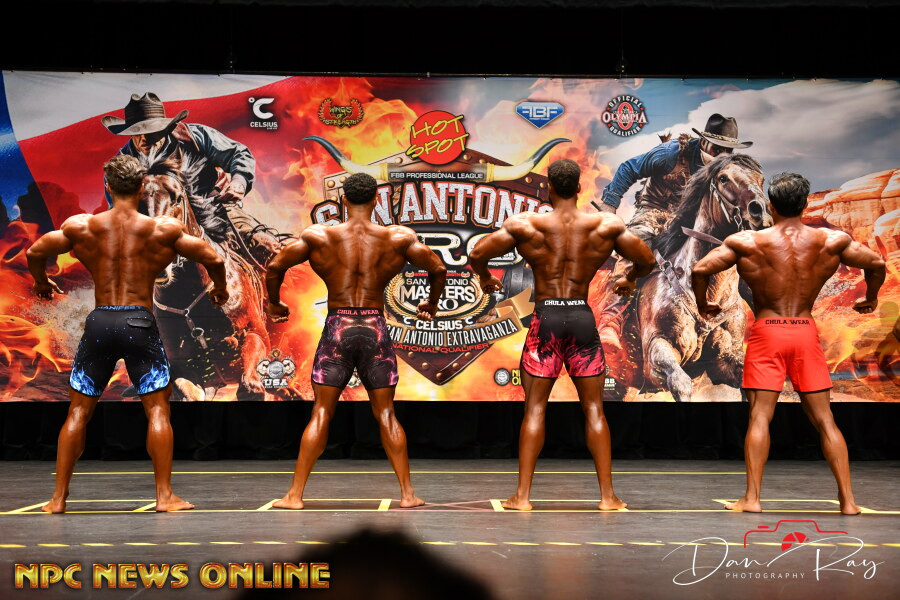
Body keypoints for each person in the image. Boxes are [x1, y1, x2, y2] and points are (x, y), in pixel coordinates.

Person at [26, 155, 229, 512]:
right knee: (157, 411)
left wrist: (43, 283)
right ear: (141, 187)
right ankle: (164, 497)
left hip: (101, 322)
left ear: (107, 186)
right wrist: (220, 289)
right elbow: (212, 258)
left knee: (78, 412)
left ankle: (57, 499)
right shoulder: (162, 230)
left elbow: (35, 251)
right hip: (139, 322)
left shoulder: (82, 227)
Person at [691, 172, 886, 514]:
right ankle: (849, 502)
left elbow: (700, 269)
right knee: (825, 420)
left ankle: (752, 499)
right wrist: (870, 298)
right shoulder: (830, 241)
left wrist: (704, 304)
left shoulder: (747, 242)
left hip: (768, 332)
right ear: (805, 204)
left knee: (759, 417)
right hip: (804, 331)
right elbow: (876, 263)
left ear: (770, 204)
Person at [469, 158, 655, 511]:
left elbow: (478, 253)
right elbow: (647, 260)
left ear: (549, 187)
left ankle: (523, 497)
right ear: (580, 188)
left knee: (535, 410)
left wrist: (485, 277)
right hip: (582, 318)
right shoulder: (605, 225)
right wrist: (629, 279)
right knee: (594, 410)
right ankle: (608, 497)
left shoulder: (526, 224)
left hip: (546, 320)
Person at [265, 172, 447, 509]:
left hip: (339, 325)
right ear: (376, 199)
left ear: (344, 200)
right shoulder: (398, 237)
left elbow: (275, 266)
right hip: (375, 326)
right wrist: (431, 304)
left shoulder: (319, 236)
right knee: (386, 413)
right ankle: (408, 495)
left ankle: (294, 496)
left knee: (322, 412)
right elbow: (437, 269)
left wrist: (274, 303)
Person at [597, 114, 753, 351]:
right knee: (635, 250)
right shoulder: (671, 153)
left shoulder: (729, 170)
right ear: (704, 142)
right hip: (656, 212)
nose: (722, 154)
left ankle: (765, 318)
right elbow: (630, 168)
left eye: (728, 150)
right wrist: (610, 204)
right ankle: (611, 320)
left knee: (739, 260)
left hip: (696, 223)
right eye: (717, 148)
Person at [102, 92, 286, 264]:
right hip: (153, 220)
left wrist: (238, 183)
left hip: (215, 206)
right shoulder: (123, 164)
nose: (143, 139)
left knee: (266, 247)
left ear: (164, 128)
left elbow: (238, 154)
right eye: (136, 132)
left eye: (150, 131)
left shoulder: (192, 136)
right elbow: (119, 208)